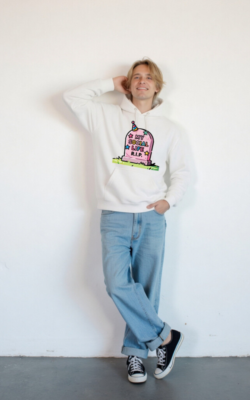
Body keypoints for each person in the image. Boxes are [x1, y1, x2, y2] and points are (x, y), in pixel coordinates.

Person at [62, 57, 190, 383]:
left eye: (148, 77)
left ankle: (136, 354)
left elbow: (182, 172)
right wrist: (110, 83)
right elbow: (71, 97)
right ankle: (165, 337)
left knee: (146, 289)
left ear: (158, 86)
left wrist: (168, 202)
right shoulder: (104, 116)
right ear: (128, 84)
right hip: (115, 214)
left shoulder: (170, 129)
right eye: (136, 77)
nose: (142, 81)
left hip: (151, 216)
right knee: (118, 284)